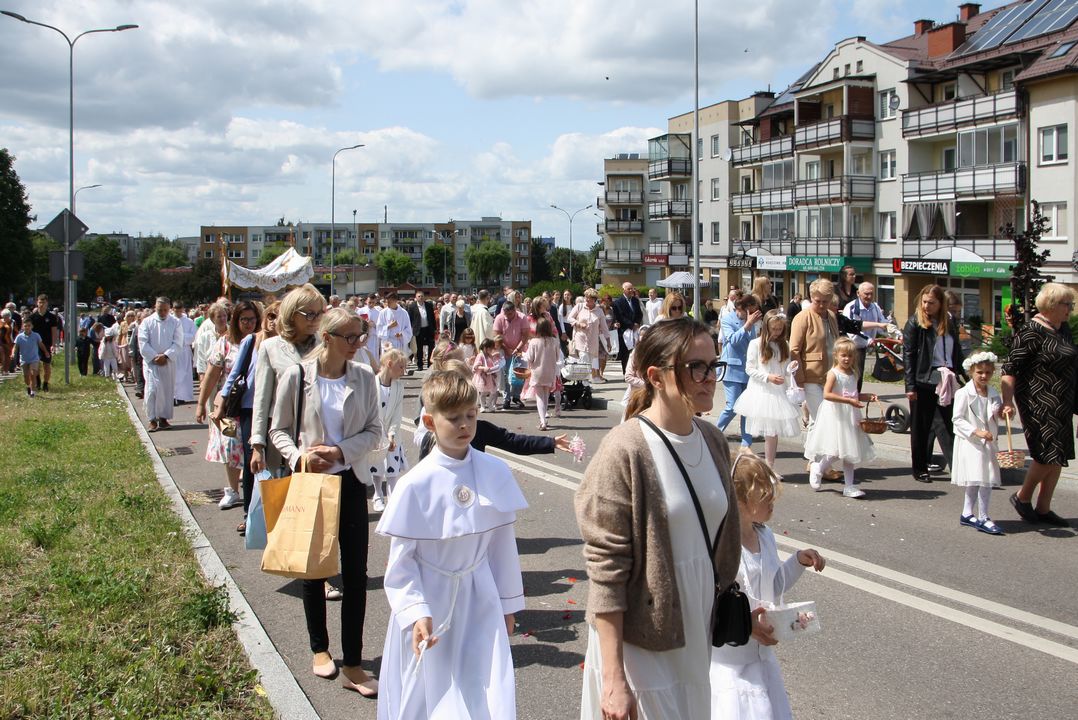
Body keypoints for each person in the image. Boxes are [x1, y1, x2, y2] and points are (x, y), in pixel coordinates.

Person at [575, 317, 742, 720]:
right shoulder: (625, 449)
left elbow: (718, 542)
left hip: (695, 624)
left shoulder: (713, 440)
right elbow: (606, 569)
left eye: (713, 365)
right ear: (655, 376)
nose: (709, 378)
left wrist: (743, 609)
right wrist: (613, 678)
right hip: (640, 638)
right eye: (695, 367)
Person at [376, 370, 526, 718]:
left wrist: (508, 605)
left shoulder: (495, 472)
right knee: (427, 691)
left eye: (471, 415)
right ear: (430, 421)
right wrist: (415, 612)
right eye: (454, 417)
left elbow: (502, 547)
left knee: (483, 687)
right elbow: (402, 563)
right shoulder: (415, 484)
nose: (464, 425)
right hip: (431, 600)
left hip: (479, 597)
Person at [270, 307, 381, 698]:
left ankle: (353, 662)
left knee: (356, 575)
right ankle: (320, 648)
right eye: (350, 337)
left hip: (350, 482)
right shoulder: (297, 376)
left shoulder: (363, 376)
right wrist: (299, 457)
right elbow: (279, 430)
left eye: (360, 336)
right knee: (314, 570)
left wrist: (339, 451)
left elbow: (374, 431)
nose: (357, 344)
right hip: (311, 484)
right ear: (327, 338)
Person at [710, 450, 826, 720]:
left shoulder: (765, 536)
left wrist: (798, 561)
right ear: (740, 501)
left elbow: (773, 586)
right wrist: (744, 624)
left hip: (761, 658)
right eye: (764, 496)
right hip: (730, 661)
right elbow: (710, 603)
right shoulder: (722, 544)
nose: (772, 501)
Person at [1001, 282, 1076, 528]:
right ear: (1052, 305)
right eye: (1067, 304)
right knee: (1045, 455)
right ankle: (1022, 497)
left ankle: (1043, 508)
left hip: (1062, 401)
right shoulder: (1031, 330)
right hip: (1038, 402)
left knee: (1058, 456)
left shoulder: (1062, 328)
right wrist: (1007, 401)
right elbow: (1009, 369)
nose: (1071, 308)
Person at [250, 284, 326, 527]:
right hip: (281, 441)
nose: (316, 320)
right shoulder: (271, 347)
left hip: (317, 439)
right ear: (292, 314)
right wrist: (258, 445)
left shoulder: (325, 344)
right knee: (284, 509)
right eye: (309, 314)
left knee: (317, 511)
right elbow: (262, 399)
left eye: (320, 313)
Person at [218, 301, 280, 533]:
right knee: (252, 460)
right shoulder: (251, 341)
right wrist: (221, 402)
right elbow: (235, 373)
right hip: (249, 408)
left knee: (276, 463)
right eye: (271, 315)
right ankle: (250, 515)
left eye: (279, 316)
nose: (273, 321)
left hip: (276, 410)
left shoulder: (285, 344)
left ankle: (274, 512)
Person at [198, 301, 261, 512]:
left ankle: (254, 491)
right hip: (230, 406)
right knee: (230, 445)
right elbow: (211, 374)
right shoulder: (225, 343)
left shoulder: (263, 341)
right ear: (236, 321)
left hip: (255, 405)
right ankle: (233, 490)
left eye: (252, 319)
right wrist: (201, 404)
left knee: (252, 447)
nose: (248, 324)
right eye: (244, 319)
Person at [903, 284, 965, 483]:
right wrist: (910, 386)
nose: (926, 306)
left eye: (931, 303)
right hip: (924, 380)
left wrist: (966, 374)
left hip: (947, 378)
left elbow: (957, 351)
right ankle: (920, 468)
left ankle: (960, 468)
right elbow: (908, 355)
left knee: (950, 424)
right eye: (924, 302)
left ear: (940, 304)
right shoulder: (915, 322)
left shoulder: (949, 321)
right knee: (921, 427)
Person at [804, 338, 878, 498]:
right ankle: (818, 467)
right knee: (836, 450)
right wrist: (848, 401)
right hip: (836, 415)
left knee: (850, 451)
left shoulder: (854, 373)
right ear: (836, 355)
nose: (847, 359)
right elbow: (827, 394)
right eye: (843, 355)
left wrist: (866, 397)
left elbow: (854, 394)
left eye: (850, 356)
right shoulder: (833, 373)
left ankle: (849, 486)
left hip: (851, 415)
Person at [790, 278, 866, 430]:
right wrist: (799, 378)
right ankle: (815, 445)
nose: (821, 305)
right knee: (822, 418)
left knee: (824, 421)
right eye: (817, 301)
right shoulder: (802, 317)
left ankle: (814, 444)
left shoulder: (831, 315)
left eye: (825, 301)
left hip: (831, 374)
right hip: (811, 376)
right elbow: (794, 350)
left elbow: (836, 342)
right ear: (811, 297)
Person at [735, 311, 802, 468]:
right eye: (774, 329)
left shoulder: (784, 344)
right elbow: (749, 369)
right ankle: (768, 468)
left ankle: (770, 467)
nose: (777, 332)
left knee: (773, 432)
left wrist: (791, 368)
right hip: (762, 392)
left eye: (779, 329)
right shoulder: (755, 344)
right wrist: (768, 377)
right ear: (766, 327)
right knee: (769, 432)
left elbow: (785, 370)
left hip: (778, 392)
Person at [952, 351, 1007, 535]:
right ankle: (981, 517)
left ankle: (968, 514)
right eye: (979, 372)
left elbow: (997, 414)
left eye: (988, 372)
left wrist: (1005, 412)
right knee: (979, 477)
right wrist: (976, 431)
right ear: (971, 372)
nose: (984, 376)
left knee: (985, 477)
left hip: (989, 442)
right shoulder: (963, 393)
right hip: (971, 442)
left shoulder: (993, 393)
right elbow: (957, 419)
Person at [717, 293, 761, 447]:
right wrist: (747, 325)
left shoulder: (750, 322)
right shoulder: (727, 319)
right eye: (749, 310)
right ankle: (715, 433)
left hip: (747, 370)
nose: (751, 314)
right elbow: (733, 340)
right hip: (731, 369)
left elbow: (752, 343)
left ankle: (746, 444)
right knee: (732, 406)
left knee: (746, 408)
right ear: (741, 308)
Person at [370, 348, 408, 513]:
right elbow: (369, 411)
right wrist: (378, 432)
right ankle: (377, 494)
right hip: (375, 431)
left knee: (392, 466)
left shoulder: (399, 387)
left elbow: (397, 414)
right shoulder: (371, 383)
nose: (403, 371)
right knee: (376, 465)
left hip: (393, 433)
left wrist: (391, 434)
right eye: (401, 367)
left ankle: (392, 499)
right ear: (389, 364)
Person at [138, 297, 184, 432]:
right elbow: (143, 342)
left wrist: (166, 355)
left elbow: (178, 342)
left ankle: (163, 418)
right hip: (152, 363)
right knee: (152, 390)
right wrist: (154, 356)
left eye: (165, 310)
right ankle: (152, 419)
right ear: (155, 307)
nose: (163, 313)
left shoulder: (175, 322)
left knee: (166, 390)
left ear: (169, 309)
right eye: (160, 310)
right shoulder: (147, 322)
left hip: (167, 362)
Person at [842, 282, 890, 393]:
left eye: (871, 294)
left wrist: (893, 333)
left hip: (863, 347)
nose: (869, 296)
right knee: (850, 375)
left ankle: (856, 396)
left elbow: (882, 324)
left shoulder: (875, 307)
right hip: (851, 347)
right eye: (866, 294)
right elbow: (852, 330)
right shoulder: (851, 307)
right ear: (858, 293)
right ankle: (848, 396)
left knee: (859, 374)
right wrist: (868, 340)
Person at [523, 316, 563, 431]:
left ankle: (543, 421)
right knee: (545, 396)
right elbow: (557, 357)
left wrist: (524, 355)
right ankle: (544, 418)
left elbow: (529, 358)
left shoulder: (534, 342)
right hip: (550, 371)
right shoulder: (555, 341)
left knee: (540, 397)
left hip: (537, 372)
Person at [493, 300, 530, 406]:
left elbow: (525, 336)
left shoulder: (522, 317)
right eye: (506, 314)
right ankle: (507, 398)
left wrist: (517, 349)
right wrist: (506, 349)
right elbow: (497, 336)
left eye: (510, 314)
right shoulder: (499, 318)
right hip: (504, 350)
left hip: (520, 350)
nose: (508, 316)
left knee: (520, 374)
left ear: (515, 310)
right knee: (505, 374)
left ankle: (517, 396)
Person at [567, 290, 609, 384]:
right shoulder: (579, 306)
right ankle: (584, 383)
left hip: (593, 342)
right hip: (580, 339)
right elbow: (570, 318)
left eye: (589, 298)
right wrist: (578, 323)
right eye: (586, 297)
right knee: (584, 360)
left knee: (589, 363)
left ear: (594, 299)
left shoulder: (599, 311)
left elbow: (604, 327)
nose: (587, 299)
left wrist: (608, 341)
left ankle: (582, 382)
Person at [28, 294, 59, 392]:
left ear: (47, 303)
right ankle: (37, 382)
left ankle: (45, 384)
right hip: (35, 344)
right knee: (35, 365)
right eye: (40, 302)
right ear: (37, 303)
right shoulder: (32, 317)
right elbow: (29, 331)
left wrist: (54, 345)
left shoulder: (52, 317)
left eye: (43, 302)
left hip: (47, 344)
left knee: (46, 365)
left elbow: (54, 332)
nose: (41, 304)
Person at [612, 282, 643, 375]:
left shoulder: (635, 300)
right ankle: (626, 372)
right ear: (623, 290)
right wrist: (631, 325)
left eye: (632, 289)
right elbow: (620, 316)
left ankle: (635, 372)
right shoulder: (618, 302)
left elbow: (639, 313)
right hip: (624, 330)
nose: (631, 290)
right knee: (625, 353)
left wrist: (637, 323)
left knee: (636, 351)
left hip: (635, 329)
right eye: (628, 289)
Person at [12, 318, 47, 397]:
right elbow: (15, 346)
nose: (27, 327)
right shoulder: (19, 337)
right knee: (26, 377)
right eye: (25, 326)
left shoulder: (36, 335)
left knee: (32, 374)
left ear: (32, 326)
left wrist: (46, 352)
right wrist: (13, 353)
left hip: (34, 359)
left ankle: (33, 391)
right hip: (24, 359)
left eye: (29, 326)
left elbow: (41, 344)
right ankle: (28, 386)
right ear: (23, 327)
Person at [172, 302, 197, 405]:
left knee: (184, 374)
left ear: (182, 309)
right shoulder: (170, 320)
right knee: (174, 374)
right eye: (176, 310)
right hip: (173, 350)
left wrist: (180, 337)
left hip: (185, 350)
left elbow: (193, 336)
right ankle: (173, 396)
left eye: (179, 310)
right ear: (173, 309)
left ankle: (182, 396)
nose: (178, 312)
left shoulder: (189, 322)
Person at [471, 337, 503, 412]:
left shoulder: (489, 355)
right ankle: (482, 406)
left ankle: (489, 404)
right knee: (483, 392)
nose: (492, 350)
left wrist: (496, 361)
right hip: (483, 377)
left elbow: (493, 363)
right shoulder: (480, 355)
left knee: (493, 391)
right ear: (485, 348)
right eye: (490, 348)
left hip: (490, 376)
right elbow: (476, 366)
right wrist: (483, 368)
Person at [408, 290, 436, 371]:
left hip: (428, 329)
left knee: (431, 346)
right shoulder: (412, 306)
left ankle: (429, 364)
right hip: (418, 330)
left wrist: (434, 328)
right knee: (419, 348)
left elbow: (432, 317)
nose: (420, 298)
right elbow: (410, 319)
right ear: (416, 297)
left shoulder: (428, 305)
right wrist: (411, 329)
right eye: (419, 296)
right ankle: (420, 365)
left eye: (422, 296)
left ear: (424, 297)